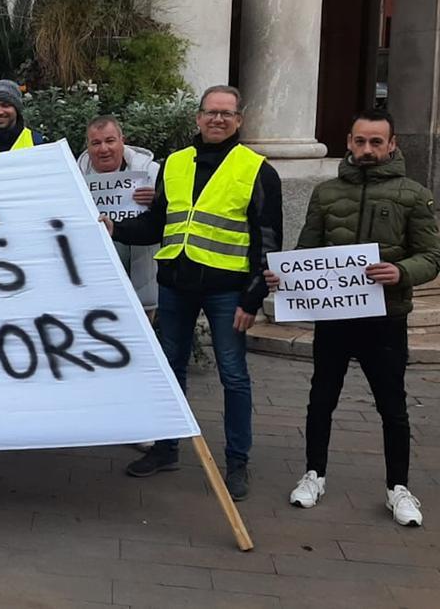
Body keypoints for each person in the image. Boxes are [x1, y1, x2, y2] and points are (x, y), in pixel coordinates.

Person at [102, 85, 283, 501]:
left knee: (234, 376)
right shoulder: (175, 164)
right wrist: (113, 227)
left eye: (226, 114)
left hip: (227, 291)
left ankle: (237, 462)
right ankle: (167, 448)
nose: (217, 120)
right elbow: (156, 224)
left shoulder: (257, 170)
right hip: (176, 286)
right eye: (210, 113)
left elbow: (268, 241)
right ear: (198, 118)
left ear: (239, 120)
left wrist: (253, 299)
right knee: (170, 369)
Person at [267, 110, 440, 526]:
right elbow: (308, 252)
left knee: (393, 407)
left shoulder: (414, 195)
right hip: (335, 318)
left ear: (392, 144)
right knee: (321, 399)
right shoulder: (326, 193)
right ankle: (314, 474)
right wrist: (286, 276)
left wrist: (401, 273)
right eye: (360, 141)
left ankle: (398, 487)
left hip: (386, 317)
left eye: (376, 142)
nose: (367, 150)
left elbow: (431, 257)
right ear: (348, 141)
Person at [77, 115, 159, 313]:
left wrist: (157, 201)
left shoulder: (152, 173)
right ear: (87, 146)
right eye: (95, 143)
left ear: (123, 141)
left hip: (141, 283)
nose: (103, 149)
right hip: (92, 288)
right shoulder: (73, 177)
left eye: (110, 140)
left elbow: (168, 219)